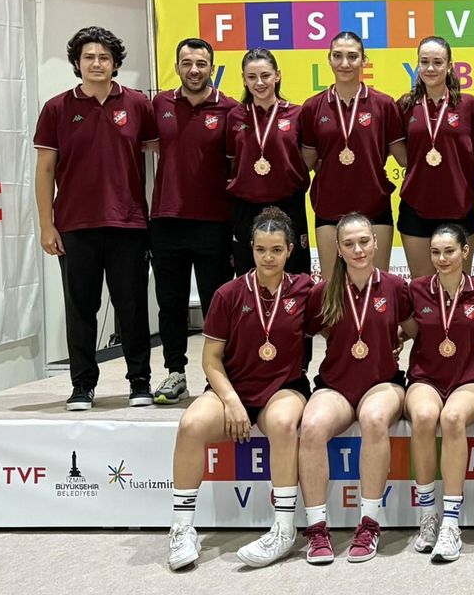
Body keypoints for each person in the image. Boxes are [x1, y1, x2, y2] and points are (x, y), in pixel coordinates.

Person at [165, 207, 312, 570]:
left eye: (276, 250)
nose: (268, 257)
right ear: (251, 248)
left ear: (290, 250)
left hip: (284, 388)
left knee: (283, 424)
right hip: (232, 388)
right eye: (260, 249)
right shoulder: (228, 293)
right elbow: (211, 360)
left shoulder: (305, 289)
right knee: (191, 424)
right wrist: (231, 402)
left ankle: (283, 528)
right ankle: (182, 527)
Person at [34, 26, 158, 410]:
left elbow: (159, 159)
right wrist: (46, 224)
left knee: (132, 307)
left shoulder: (137, 104)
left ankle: (139, 382)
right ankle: (82, 385)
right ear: (77, 62)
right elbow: (45, 170)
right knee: (81, 310)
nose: (97, 63)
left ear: (115, 63)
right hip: (74, 226)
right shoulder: (57, 108)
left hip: (129, 224)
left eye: (104, 57)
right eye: (89, 57)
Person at [299, 213, 410, 564]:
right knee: (311, 426)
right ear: (338, 248)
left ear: (376, 242)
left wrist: (395, 338)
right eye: (349, 244)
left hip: (383, 383)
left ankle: (369, 525)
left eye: (364, 241)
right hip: (337, 385)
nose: (358, 249)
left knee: (374, 419)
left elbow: (417, 329)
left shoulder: (395, 287)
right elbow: (304, 332)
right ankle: (317, 529)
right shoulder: (322, 292)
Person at [149, 37, 239, 405]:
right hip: (166, 219)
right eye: (187, 63)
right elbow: (148, 146)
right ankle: (175, 372)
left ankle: (219, 376)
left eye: (201, 64)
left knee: (217, 305)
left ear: (212, 67)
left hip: (214, 222)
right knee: (170, 304)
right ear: (177, 67)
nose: (194, 70)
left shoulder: (230, 109)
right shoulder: (160, 104)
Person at [403, 224, 474, 562]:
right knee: (425, 416)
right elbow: (406, 330)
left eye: (450, 251)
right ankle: (428, 516)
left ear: (465, 252)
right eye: (436, 252)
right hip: (426, 377)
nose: (442, 258)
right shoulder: (416, 289)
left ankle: (451, 523)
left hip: (470, 377)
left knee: (453, 418)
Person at [301, 31, 404, 278]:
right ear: (329, 59)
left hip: (374, 206)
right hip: (329, 207)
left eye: (352, 56)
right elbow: (308, 161)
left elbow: (404, 158)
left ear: (364, 60)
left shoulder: (384, 105)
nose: (344, 63)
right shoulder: (312, 107)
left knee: (376, 286)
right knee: (332, 288)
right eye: (337, 56)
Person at [394, 36, 474, 279]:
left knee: (460, 289)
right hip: (416, 207)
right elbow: (403, 157)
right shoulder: (405, 105)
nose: (430, 68)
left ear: (449, 66)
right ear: (417, 65)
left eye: (437, 62)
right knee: (422, 288)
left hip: (459, 207)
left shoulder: (468, 105)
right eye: (424, 62)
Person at [225, 48, 312, 279]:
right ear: (244, 79)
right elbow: (232, 162)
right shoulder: (235, 116)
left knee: (295, 277)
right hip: (246, 207)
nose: (259, 83)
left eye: (265, 75)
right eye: (252, 77)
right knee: (248, 276)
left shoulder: (297, 114)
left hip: (288, 204)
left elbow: (307, 158)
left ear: (277, 75)